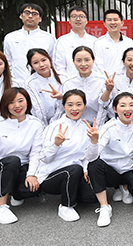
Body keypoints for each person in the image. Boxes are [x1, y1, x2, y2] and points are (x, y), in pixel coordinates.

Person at [0, 88, 44, 224]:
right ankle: (0, 207)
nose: (17, 106)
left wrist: (32, 174)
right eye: (11, 102)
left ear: (27, 102)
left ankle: (15, 192)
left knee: (28, 190)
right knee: (12, 160)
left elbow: (36, 152)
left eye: (21, 101)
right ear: (5, 105)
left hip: (21, 166)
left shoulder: (36, 123)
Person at [84, 92, 133, 227]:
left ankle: (124, 187)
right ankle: (105, 207)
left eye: (131, 105)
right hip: (110, 170)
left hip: (130, 168)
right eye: (122, 105)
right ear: (115, 109)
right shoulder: (108, 127)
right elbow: (91, 157)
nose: (127, 109)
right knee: (94, 164)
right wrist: (94, 142)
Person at [36, 89, 91, 222]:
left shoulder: (86, 127)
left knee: (91, 197)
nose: (74, 109)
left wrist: (86, 170)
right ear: (64, 106)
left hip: (76, 174)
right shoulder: (54, 127)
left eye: (79, 104)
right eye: (70, 105)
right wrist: (55, 144)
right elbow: (44, 158)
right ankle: (66, 205)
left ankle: (72, 192)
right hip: (51, 176)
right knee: (73, 169)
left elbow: (86, 155)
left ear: (85, 105)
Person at [4, 3, 55, 83]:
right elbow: (8, 61)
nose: (30, 16)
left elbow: (53, 62)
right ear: (21, 16)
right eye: (27, 13)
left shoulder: (49, 38)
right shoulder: (10, 37)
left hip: (42, 83)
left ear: (40, 19)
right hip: (17, 83)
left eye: (34, 14)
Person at [99, 47, 133, 123]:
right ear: (123, 62)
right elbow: (103, 103)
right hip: (113, 121)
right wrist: (108, 90)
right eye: (129, 60)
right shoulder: (114, 78)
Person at [60, 46, 106, 124]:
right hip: (76, 125)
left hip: (100, 123)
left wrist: (98, 126)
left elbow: (104, 108)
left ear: (93, 60)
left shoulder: (102, 81)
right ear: (73, 61)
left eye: (87, 60)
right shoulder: (68, 83)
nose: (83, 64)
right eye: (79, 60)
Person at [25, 48, 66, 125]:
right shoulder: (30, 83)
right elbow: (37, 110)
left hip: (63, 121)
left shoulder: (63, 77)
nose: (41, 65)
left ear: (50, 60)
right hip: (42, 124)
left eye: (44, 60)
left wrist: (61, 97)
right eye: (36, 62)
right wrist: (46, 127)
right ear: (32, 66)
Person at [53, 6, 97, 77]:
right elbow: (59, 67)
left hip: (92, 81)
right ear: (69, 20)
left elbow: (97, 64)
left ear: (86, 20)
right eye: (74, 16)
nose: (78, 19)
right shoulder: (62, 41)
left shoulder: (94, 41)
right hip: (70, 81)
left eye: (81, 16)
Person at [93, 9, 133, 75]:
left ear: (122, 23)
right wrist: (106, 78)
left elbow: (132, 63)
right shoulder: (98, 43)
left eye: (115, 20)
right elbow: (98, 65)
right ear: (104, 23)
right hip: (105, 80)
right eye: (109, 20)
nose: (112, 22)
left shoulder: (130, 43)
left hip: (125, 80)